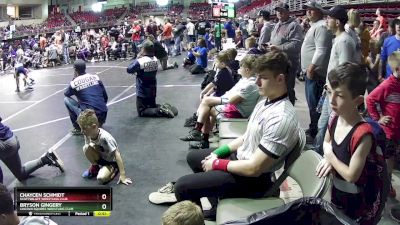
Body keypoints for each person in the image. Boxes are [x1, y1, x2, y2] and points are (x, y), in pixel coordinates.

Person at [149, 51, 301, 220]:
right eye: (257, 76)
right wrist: (218, 154)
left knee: (183, 187)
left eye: (263, 77)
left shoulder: (281, 117)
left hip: (254, 181)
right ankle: (215, 207)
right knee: (194, 157)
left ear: (280, 79)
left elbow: (254, 169)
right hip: (242, 162)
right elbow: (246, 137)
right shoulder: (266, 101)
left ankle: (197, 219)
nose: (257, 82)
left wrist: (217, 163)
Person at [316, 63, 387, 225]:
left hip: (360, 204)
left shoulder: (363, 135)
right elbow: (327, 141)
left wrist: (329, 155)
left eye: (339, 95)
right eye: (329, 92)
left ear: (358, 101)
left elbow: (351, 175)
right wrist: (328, 156)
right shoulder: (334, 118)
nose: (331, 100)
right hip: (338, 194)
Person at [313, 5, 357, 154]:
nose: (326, 20)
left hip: (334, 93)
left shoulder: (344, 41)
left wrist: (334, 91)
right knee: (323, 124)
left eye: (329, 18)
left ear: (337, 22)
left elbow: (344, 72)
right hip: (330, 90)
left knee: (327, 125)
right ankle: (319, 153)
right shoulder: (338, 39)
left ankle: (320, 155)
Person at [366, 51, 400, 198]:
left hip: (397, 130)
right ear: (397, 69)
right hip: (389, 131)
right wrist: (378, 118)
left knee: (391, 158)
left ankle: (386, 182)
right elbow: (370, 99)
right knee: (387, 159)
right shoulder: (388, 84)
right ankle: (384, 185)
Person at [301, 0, 333, 140]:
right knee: (312, 104)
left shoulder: (321, 27)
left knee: (315, 105)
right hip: (312, 72)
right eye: (307, 9)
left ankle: (316, 133)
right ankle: (313, 128)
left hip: (316, 73)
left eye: (311, 9)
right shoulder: (315, 25)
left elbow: (321, 51)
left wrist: (311, 67)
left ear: (320, 11)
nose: (308, 11)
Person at [0, 116, 64, 182]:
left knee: (19, 175)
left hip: (5, 145)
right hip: (10, 138)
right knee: (21, 174)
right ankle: (46, 159)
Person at [77, 109, 132, 185]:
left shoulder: (105, 138)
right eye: (81, 128)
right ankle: (95, 167)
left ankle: (115, 169)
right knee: (86, 147)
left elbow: (117, 154)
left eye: (84, 129)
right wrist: (94, 147)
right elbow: (88, 146)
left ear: (93, 126)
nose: (81, 131)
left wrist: (123, 175)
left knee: (101, 178)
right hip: (101, 158)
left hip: (110, 162)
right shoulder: (87, 134)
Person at [126, 41, 176, 118]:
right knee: (152, 106)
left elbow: (129, 69)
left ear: (143, 49)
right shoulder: (155, 59)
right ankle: (164, 107)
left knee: (142, 111)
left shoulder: (140, 61)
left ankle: (161, 110)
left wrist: (137, 58)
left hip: (143, 90)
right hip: (152, 89)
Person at [268, 2, 304, 105]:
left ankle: (290, 111)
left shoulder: (294, 25)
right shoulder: (277, 24)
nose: (279, 13)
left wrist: (278, 48)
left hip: (288, 63)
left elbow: (296, 44)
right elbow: (276, 40)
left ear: (288, 12)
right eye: (278, 11)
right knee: (278, 88)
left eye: (282, 11)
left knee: (287, 88)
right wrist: (270, 44)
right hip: (277, 61)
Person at [64, 59, 108, 135]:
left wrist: (74, 80)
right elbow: (105, 97)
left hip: (89, 117)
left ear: (75, 70)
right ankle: (99, 122)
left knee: (66, 100)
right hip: (103, 114)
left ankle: (77, 128)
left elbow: (66, 93)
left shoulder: (75, 82)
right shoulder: (95, 77)